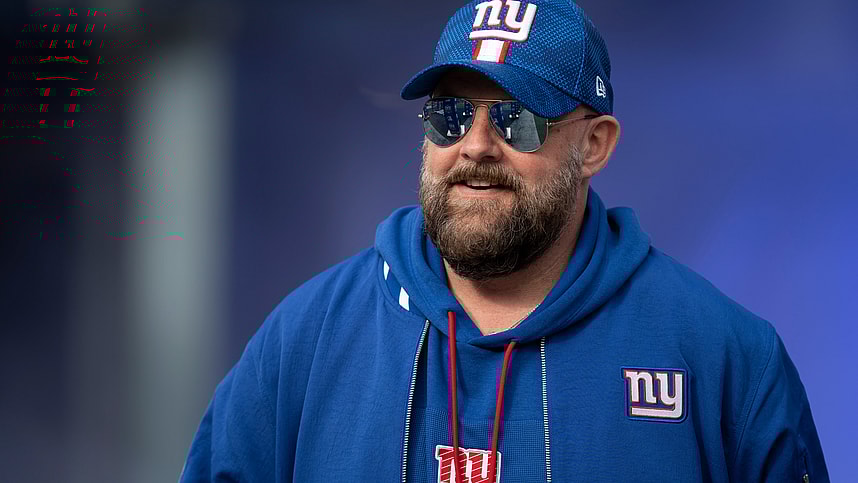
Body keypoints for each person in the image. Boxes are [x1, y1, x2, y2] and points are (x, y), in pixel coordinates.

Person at [179, 1, 829, 481]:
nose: (477, 146)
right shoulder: (305, 341)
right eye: (450, 114)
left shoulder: (723, 360)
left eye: (517, 119)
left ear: (595, 144)